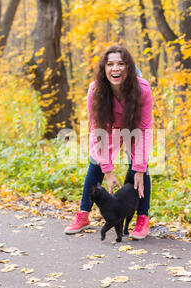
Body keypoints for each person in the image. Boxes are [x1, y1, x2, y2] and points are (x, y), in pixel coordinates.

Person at [64, 45, 153, 240]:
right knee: (95, 164)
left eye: (121, 64)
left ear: (128, 68)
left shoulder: (142, 88)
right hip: (108, 129)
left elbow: (145, 129)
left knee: (141, 169)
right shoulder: (95, 89)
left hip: (134, 127)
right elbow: (96, 131)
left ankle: (142, 217)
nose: (115, 68)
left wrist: (139, 168)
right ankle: (83, 214)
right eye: (110, 64)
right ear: (104, 69)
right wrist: (108, 170)